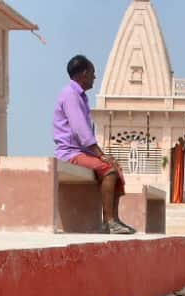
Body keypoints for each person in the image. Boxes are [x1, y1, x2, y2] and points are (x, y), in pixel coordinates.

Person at [54, 55, 135, 234]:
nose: (94, 77)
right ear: (83, 74)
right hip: (70, 152)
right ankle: (109, 221)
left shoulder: (80, 96)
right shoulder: (71, 95)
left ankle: (114, 220)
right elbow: (80, 130)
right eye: (92, 73)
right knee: (109, 169)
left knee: (115, 167)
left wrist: (100, 155)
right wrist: (100, 154)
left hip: (81, 152)